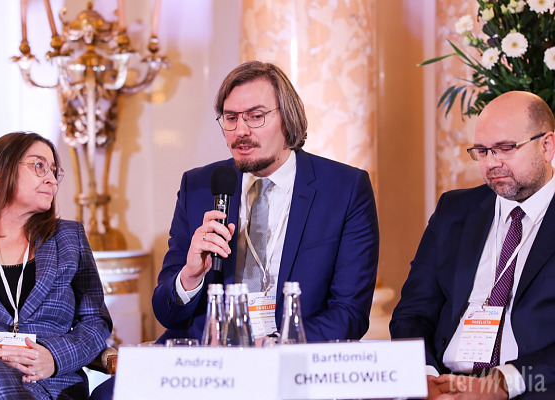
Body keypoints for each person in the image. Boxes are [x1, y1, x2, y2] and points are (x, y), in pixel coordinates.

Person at [90, 60, 379, 400]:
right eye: (231, 118)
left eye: (256, 116)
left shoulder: (344, 188)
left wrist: (275, 347)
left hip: (292, 362)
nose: (241, 130)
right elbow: (167, 311)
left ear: (287, 118)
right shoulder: (200, 185)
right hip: (204, 364)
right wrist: (190, 276)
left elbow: (349, 314)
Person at [390, 91, 555, 399]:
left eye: (506, 148)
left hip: (529, 387)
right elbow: (413, 311)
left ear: (547, 146)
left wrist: (503, 383)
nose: (492, 163)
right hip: (444, 385)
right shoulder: (454, 211)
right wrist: (424, 376)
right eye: (482, 151)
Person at [0, 132, 112, 399]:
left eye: (54, 171)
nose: (51, 179)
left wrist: (54, 357)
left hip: (49, 383)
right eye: (39, 166)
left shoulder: (68, 238)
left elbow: (95, 322)